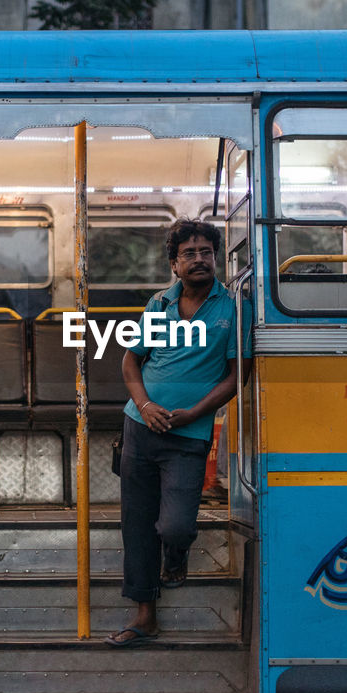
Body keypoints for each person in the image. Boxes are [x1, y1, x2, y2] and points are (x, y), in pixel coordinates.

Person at [106, 218, 250, 648]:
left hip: (188, 435)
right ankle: (145, 615)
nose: (199, 259)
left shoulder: (232, 308)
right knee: (137, 525)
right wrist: (146, 406)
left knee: (175, 526)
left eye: (206, 252)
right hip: (140, 427)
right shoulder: (159, 304)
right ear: (174, 263)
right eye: (189, 253)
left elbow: (235, 375)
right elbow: (131, 363)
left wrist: (195, 413)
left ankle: (177, 553)